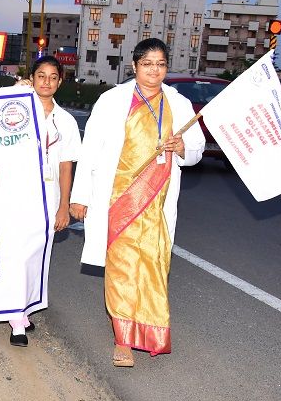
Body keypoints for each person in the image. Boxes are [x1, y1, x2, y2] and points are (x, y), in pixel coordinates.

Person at [69, 38, 204, 367]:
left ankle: (151, 333)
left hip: (157, 202)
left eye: (160, 64)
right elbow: (91, 152)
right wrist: (80, 197)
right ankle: (123, 340)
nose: (154, 70)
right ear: (134, 66)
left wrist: (181, 146)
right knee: (123, 269)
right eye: (147, 64)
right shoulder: (112, 100)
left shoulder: (179, 104)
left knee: (154, 268)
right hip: (119, 199)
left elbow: (197, 151)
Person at [10, 56, 81, 347]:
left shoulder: (66, 121)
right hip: (18, 192)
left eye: (53, 77)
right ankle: (16, 318)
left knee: (39, 253)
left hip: (49, 195)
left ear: (60, 82)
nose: (46, 82)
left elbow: (66, 166)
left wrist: (64, 205)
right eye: (41, 76)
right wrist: (17, 90)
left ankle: (24, 308)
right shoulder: (16, 109)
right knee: (19, 253)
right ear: (32, 77)